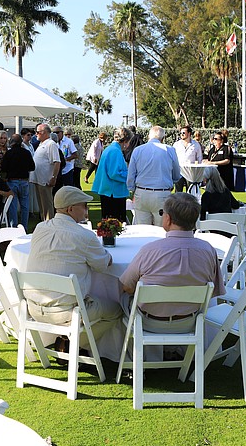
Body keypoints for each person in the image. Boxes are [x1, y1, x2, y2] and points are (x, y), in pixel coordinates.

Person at [22, 186, 121, 339]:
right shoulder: (84, 236)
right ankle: (78, 345)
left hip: (33, 307)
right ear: (70, 209)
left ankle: (67, 342)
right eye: (84, 206)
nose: (86, 210)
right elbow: (104, 265)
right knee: (117, 310)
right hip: (68, 313)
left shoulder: (39, 228)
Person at [119, 193, 225, 333]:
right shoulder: (208, 250)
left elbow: (126, 286)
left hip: (148, 322)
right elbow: (214, 290)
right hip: (191, 321)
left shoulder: (150, 250)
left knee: (118, 298)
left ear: (168, 219)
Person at [127, 125, 180, 226]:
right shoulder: (169, 150)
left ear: (149, 136)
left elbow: (131, 174)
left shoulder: (138, 150)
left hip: (142, 192)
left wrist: (132, 189)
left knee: (142, 230)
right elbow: (176, 174)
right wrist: (171, 181)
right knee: (161, 230)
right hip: (161, 193)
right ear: (163, 138)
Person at [91, 127, 130, 222]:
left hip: (109, 191)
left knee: (108, 225)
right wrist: (130, 175)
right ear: (125, 140)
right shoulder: (115, 151)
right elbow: (114, 173)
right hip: (113, 193)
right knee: (115, 225)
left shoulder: (110, 149)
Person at [1, 133, 35, 229]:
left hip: (12, 181)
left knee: (13, 207)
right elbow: (32, 167)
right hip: (24, 181)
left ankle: (14, 227)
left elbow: (3, 168)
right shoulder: (27, 153)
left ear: (11, 143)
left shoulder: (9, 153)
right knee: (25, 206)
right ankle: (24, 227)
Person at [30, 123, 60, 221]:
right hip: (38, 180)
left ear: (44, 133)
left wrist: (53, 177)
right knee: (42, 206)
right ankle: (44, 224)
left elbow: (57, 162)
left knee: (47, 206)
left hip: (45, 180)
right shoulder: (42, 144)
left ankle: (49, 224)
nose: (36, 134)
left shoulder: (51, 144)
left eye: (38, 132)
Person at [173, 125, 203, 193]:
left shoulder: (196, 145)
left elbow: (199, 159)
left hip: (190, 171)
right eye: (181, 133)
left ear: (189, 133)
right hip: (179, 170)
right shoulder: (176, 144)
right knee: (178, 191)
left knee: (190, 191)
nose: (182, 134)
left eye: (183, 133)